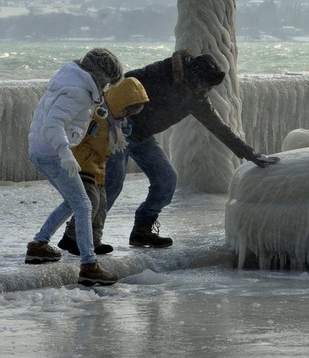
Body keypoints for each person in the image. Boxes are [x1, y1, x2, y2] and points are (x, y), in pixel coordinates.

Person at [105, 50, 279, 249]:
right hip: (118, 132)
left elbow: (219, 128)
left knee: (166, 179)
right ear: (193, 75)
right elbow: (121, 83)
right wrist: (109, 119)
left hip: (143, 138)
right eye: (205, 84)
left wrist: (250, 154)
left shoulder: (196, 100)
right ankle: (80, 234)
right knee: (112, 184)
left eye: (210, 87)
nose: (207, 90)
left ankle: (142, 231)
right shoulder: (161, 72)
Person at [25, 48, 123, 287]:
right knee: (83, 204)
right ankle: (89, 265)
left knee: (73, 201)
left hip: (40, 150)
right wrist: (65, 153)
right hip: (52, 153)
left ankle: (39, 246)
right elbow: (53, 123)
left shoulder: (72, 81)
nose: (107, 88)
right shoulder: (78, 92)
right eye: (108, 83)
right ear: (100, 77)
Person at [57, 77, 150, 257]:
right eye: (126, 109)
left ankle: (94, 240)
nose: (126, 115)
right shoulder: (97, 115)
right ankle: (72, 237)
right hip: (83, 164)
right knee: (90, 202)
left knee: (101, 205)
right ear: (119, 102)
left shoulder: (115, 123)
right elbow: (79, 139)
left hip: (97, 168)